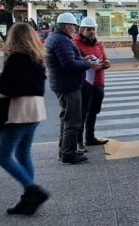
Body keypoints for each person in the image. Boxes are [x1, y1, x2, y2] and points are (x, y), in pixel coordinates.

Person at [0, 23, 49, 215]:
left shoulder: (15, 59)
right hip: (36, 110)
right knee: (23, 153)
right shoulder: (38, 58)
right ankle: (28, 200)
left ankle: (33, 190)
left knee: (2, 156)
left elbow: (3, 88)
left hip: (18, 110)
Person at [45, 12, 102, 165]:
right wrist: (88, 64)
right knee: (72, 121)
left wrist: (83, 59)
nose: (75, 30)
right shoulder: (62, 41)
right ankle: (68, 154)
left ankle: (64, 150)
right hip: (68, 86)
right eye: (74, 27)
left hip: (63, 84)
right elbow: (69, 65)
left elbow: (68, 60)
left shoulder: (55, 38)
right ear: (68, 27)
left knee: (66, 119)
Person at [73, 17, 110, 150]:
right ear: (81, 29)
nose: (92, 32)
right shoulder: (75, 44)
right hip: (84, 84)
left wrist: (106, 64)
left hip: (98, 83)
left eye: (93, 29)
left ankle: (90, 137)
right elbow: (73, 63)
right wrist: (86, 62)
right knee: (82, 113)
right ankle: (79, 141)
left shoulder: (98, 44)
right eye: (89, 29)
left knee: (93, 111)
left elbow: (104, 59)